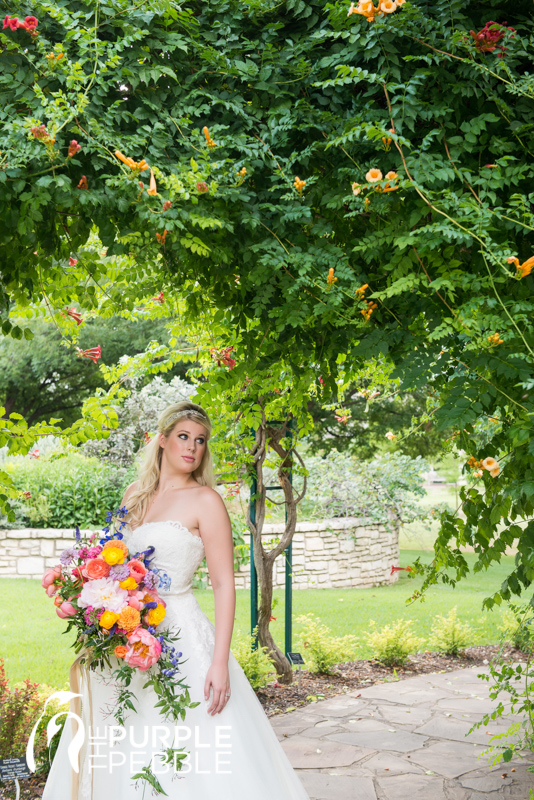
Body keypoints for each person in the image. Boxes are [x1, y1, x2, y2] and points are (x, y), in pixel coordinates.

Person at [42, 400, 311, 799]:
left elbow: (223, 584)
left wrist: (219, 662)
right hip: (127, 632)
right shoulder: (134, 495)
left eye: (200, 441)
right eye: (184, 437)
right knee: (122, 734)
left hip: (180, 633)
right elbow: (113, 559)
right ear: (163, 440)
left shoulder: (207, 501)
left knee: (186, 741)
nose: (192, 447)